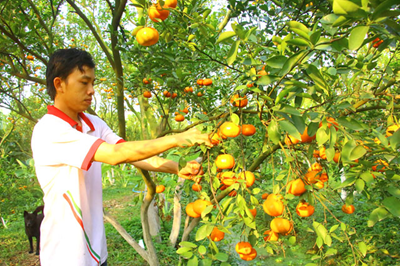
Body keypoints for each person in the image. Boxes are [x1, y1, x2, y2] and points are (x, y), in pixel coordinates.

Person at [31, 48, 211, 266]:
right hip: (64, 256)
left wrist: (176, 167)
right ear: (59, 84)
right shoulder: (50, 129)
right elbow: (116, 155)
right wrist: (176, 138)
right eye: (84, 82)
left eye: (93, 83)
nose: (92, 91)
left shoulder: (93, 123)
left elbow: (130, 154)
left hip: (96, 252)